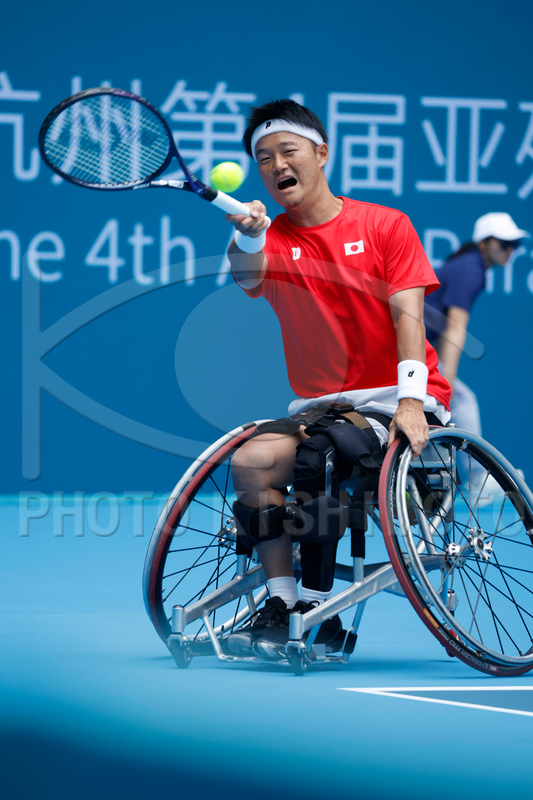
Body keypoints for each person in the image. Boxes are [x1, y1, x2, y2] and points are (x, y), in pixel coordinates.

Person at [224, 99, 451, 658]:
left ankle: (318, 606)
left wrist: (411, 398)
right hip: (319, 407)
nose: (277, 165)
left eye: (288, 151)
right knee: (251, 462)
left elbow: (409, 316)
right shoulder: (271, 240)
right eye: (263, 158)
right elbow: (247, 276)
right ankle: (283, 601)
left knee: (317, 458)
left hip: (393, 397)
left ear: (321, 153)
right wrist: (249, 235)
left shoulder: (384, 224)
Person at [424, 212, 529, 491]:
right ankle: (479, 481)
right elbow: (455, 329)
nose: (510, 250)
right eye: (504, 243)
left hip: (411, 349)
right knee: (462, 401)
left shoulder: (468, 266)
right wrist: (447, 380)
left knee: (454, 401)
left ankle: (470, 479)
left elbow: (446, 329)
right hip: (405, 350)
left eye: (514, 245)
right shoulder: (470, 269)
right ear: (484, 243)